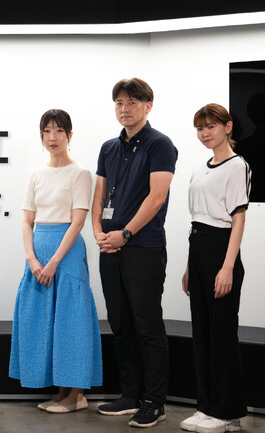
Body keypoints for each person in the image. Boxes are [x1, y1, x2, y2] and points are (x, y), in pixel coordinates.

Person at [92, 78, 177, 428]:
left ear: (147, 106)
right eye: (119, 103)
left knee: (147, 326)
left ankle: (155, 401)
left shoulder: (160, 144)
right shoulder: (108, 147)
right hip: (109, 247)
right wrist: (98, 232)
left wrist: (125, 234)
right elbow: (99, 195)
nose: (124, 109)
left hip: (143, 247)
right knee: (120, 323)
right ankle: (130, 394)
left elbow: (156, 197)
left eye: (131, 102)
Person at [9, 109, 103, 414]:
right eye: (47, 131)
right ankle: (62, 392)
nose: (53, 137)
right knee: (42, 320)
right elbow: (27, 221)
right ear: (41, 136)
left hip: (67, 253)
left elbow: (78, 222)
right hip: (38, 252)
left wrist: (53, 262)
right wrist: (32, 259)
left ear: (69, 135)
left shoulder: (80, 173)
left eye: (59, 131)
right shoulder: (37, 174)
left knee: (70, 321)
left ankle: (76, 395)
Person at [180, 104, 250, 433]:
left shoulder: (237, 166)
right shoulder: (199, 169)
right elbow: (198, 220)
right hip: (198, 249)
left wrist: (228, 266)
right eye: (200, 128)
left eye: (211, 126)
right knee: (203, 335)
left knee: (222, 335)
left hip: (221, 250)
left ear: (227, 127)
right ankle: (207, 407)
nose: (205, 133)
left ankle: (227, 412)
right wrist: (189, 267)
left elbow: (238, 218)